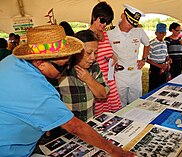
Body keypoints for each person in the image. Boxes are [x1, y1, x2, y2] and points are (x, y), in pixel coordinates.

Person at [0, 24, 135, 157]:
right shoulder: (36, 90)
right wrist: (114, 151)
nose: (65, 70)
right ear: (40, 64)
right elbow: (75, 127)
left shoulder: (11, 62)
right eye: (62, 66)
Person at [53, 30, 110, 122]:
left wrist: (89, 79)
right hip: (66, 130)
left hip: (88, 124)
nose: (93, 57)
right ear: (76, 51)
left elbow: (102, 94)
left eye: (95, 53)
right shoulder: (61, 71)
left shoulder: (94, 67)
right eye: (88, 53)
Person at [107, 4, 150, 107]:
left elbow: (147, 44)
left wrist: (143, 59)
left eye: (133, 23)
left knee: (136, 103)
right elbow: (106, 52)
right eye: (129, 21)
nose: (130, 25)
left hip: (135, 72)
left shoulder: (138, 31)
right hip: (119, 74)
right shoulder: (110, 33)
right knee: (119, 104)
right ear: (122, 16)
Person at [89, 1, 122, 115]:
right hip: (97, 81)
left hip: (110, 80)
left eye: (107, 22)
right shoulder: (87, 36)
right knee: (100, 114)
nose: (104, 24)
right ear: (94, 17)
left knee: (114, 112)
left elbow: (109, 53)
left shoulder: (105, 35)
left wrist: (114, 58)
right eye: (102, 20)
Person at [147, 23, 171, 92]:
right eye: (160, 33)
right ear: (156, 33)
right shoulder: (151, 44)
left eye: (164, 33)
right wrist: (159, 66)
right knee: (153, 88)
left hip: (163, 67)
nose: (162, 35)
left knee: (162, 87)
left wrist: (168, 60)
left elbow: (166, 55)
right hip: (155, 68)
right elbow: (147, 59)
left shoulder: (164, 43)